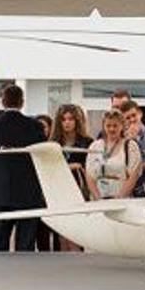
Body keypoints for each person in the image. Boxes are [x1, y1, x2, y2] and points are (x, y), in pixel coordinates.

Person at [0, 85, 46, 251]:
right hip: (28, 194)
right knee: (25, 247)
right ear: (22, 102)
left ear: (3, 102)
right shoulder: (35, 126)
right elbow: (42, 157)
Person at [49, 104, 92, 251]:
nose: (67, 122)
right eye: (63, 119)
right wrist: (70, 167)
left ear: (77, 121)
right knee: (61, 230)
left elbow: (90, 168)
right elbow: (50, 168)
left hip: (79, 190)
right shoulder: (53, 143)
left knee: (77, 230)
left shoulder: (87, 142)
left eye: (71, 119)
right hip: (58, 190)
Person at [85, 109, 142, 200]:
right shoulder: (95, 146)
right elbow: (90, 175)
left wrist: (119, 199)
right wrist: (98, 198)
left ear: (122, 126)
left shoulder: (130, 146)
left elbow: (133, 176)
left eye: (115, 126)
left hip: (122, 198)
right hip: (98, 198)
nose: (112, 129)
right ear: (103, 126)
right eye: (108, 125)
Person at [121, 100, 145, 197]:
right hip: (128, 192)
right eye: (127, 118)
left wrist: (135, 168)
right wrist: (130, 141)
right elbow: (120, 165)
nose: (132, 120)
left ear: (140, 113)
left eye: (134, 115)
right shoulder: (121, 139)